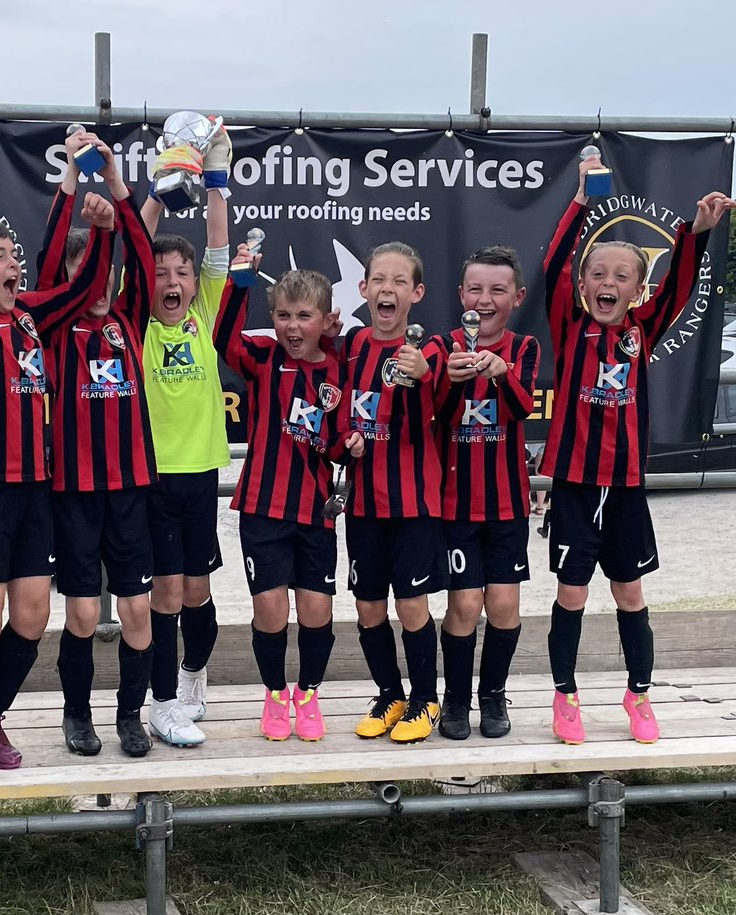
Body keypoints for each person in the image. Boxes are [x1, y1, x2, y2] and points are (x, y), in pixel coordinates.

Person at [0, 130, 115, 780]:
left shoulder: (35, 314)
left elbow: (88, 275)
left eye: (15, 255)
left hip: (37, 486)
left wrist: (95, 221)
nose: (13, 264)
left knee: (33, 616)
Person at [542, 152, 736, 745]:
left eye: (621, 276)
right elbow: (553, 264)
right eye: (597, 274)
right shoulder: (570, 326)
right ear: (583, 286)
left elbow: (679, 288)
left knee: (631, 593)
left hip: (626, 487)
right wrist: (580, 200)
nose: (607, 283)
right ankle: (565, 695)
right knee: (571, 593)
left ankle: (639, 695)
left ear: (637, 288)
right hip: (576, 486)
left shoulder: (640, 329)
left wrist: (693, 233)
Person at [36, 130, 159, 758]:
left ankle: (130, 717)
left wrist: (113, 182)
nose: (100, 287)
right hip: (75, 493)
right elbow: (49, 254)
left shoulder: (128, 320)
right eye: (86, 277)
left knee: (138, 614)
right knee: (83, 617)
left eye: (105, 275)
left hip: (132, 490)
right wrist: (69, 184)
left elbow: (139, 251)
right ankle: (76, 715)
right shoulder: (53, 325)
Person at [213, 246, 363, 741]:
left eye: (304, 316)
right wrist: (240, 282)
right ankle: (276, 696)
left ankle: (310, 694)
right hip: (262, 507)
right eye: (283, 315)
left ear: (326, 319)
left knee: (316, 610)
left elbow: (340, 441)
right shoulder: (262, 358)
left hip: (315, 512)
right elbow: (223, 338)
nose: (293, 327)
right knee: (270, 609)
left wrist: (351, 443)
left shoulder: (339, 369)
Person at [137, 122, 234, 747]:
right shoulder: (133, 321)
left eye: (182, 273)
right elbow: (130, 242)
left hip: (200, 473)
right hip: (150, 477)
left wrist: (217, 176)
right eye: (161, 272)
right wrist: (159, 185)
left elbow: (220, 246)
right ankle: (163, 704)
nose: (172, 283)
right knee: (165, 595)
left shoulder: (203, 315)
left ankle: (193, 679)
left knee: (198, 594)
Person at [341, 242, 448, 745]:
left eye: (399, 280)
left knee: (411, 605)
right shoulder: (353, 344)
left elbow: (448, 410)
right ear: (364, 290)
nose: (387, 288)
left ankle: (426, 698)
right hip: (363, 505)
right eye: (378, 279)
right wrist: (347, 440)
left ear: (417, 292)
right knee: (367, 607)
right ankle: (390, 694)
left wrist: (427, 378)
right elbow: (340, 411)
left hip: (414, 504)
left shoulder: (432, 350)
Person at [438, 246, 540, 740]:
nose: (485, 299)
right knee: (464, 606)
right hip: (456, 505)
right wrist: (451, 383)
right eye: (475, 289)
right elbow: (433, 416)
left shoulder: (524, 349)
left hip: (507, 504)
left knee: (503, 605)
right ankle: (454, 700)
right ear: (461, 294)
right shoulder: (442, 346)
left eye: (497, 290)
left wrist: (502, 373)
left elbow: (524, 410)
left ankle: (492, 695)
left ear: (517, 297)